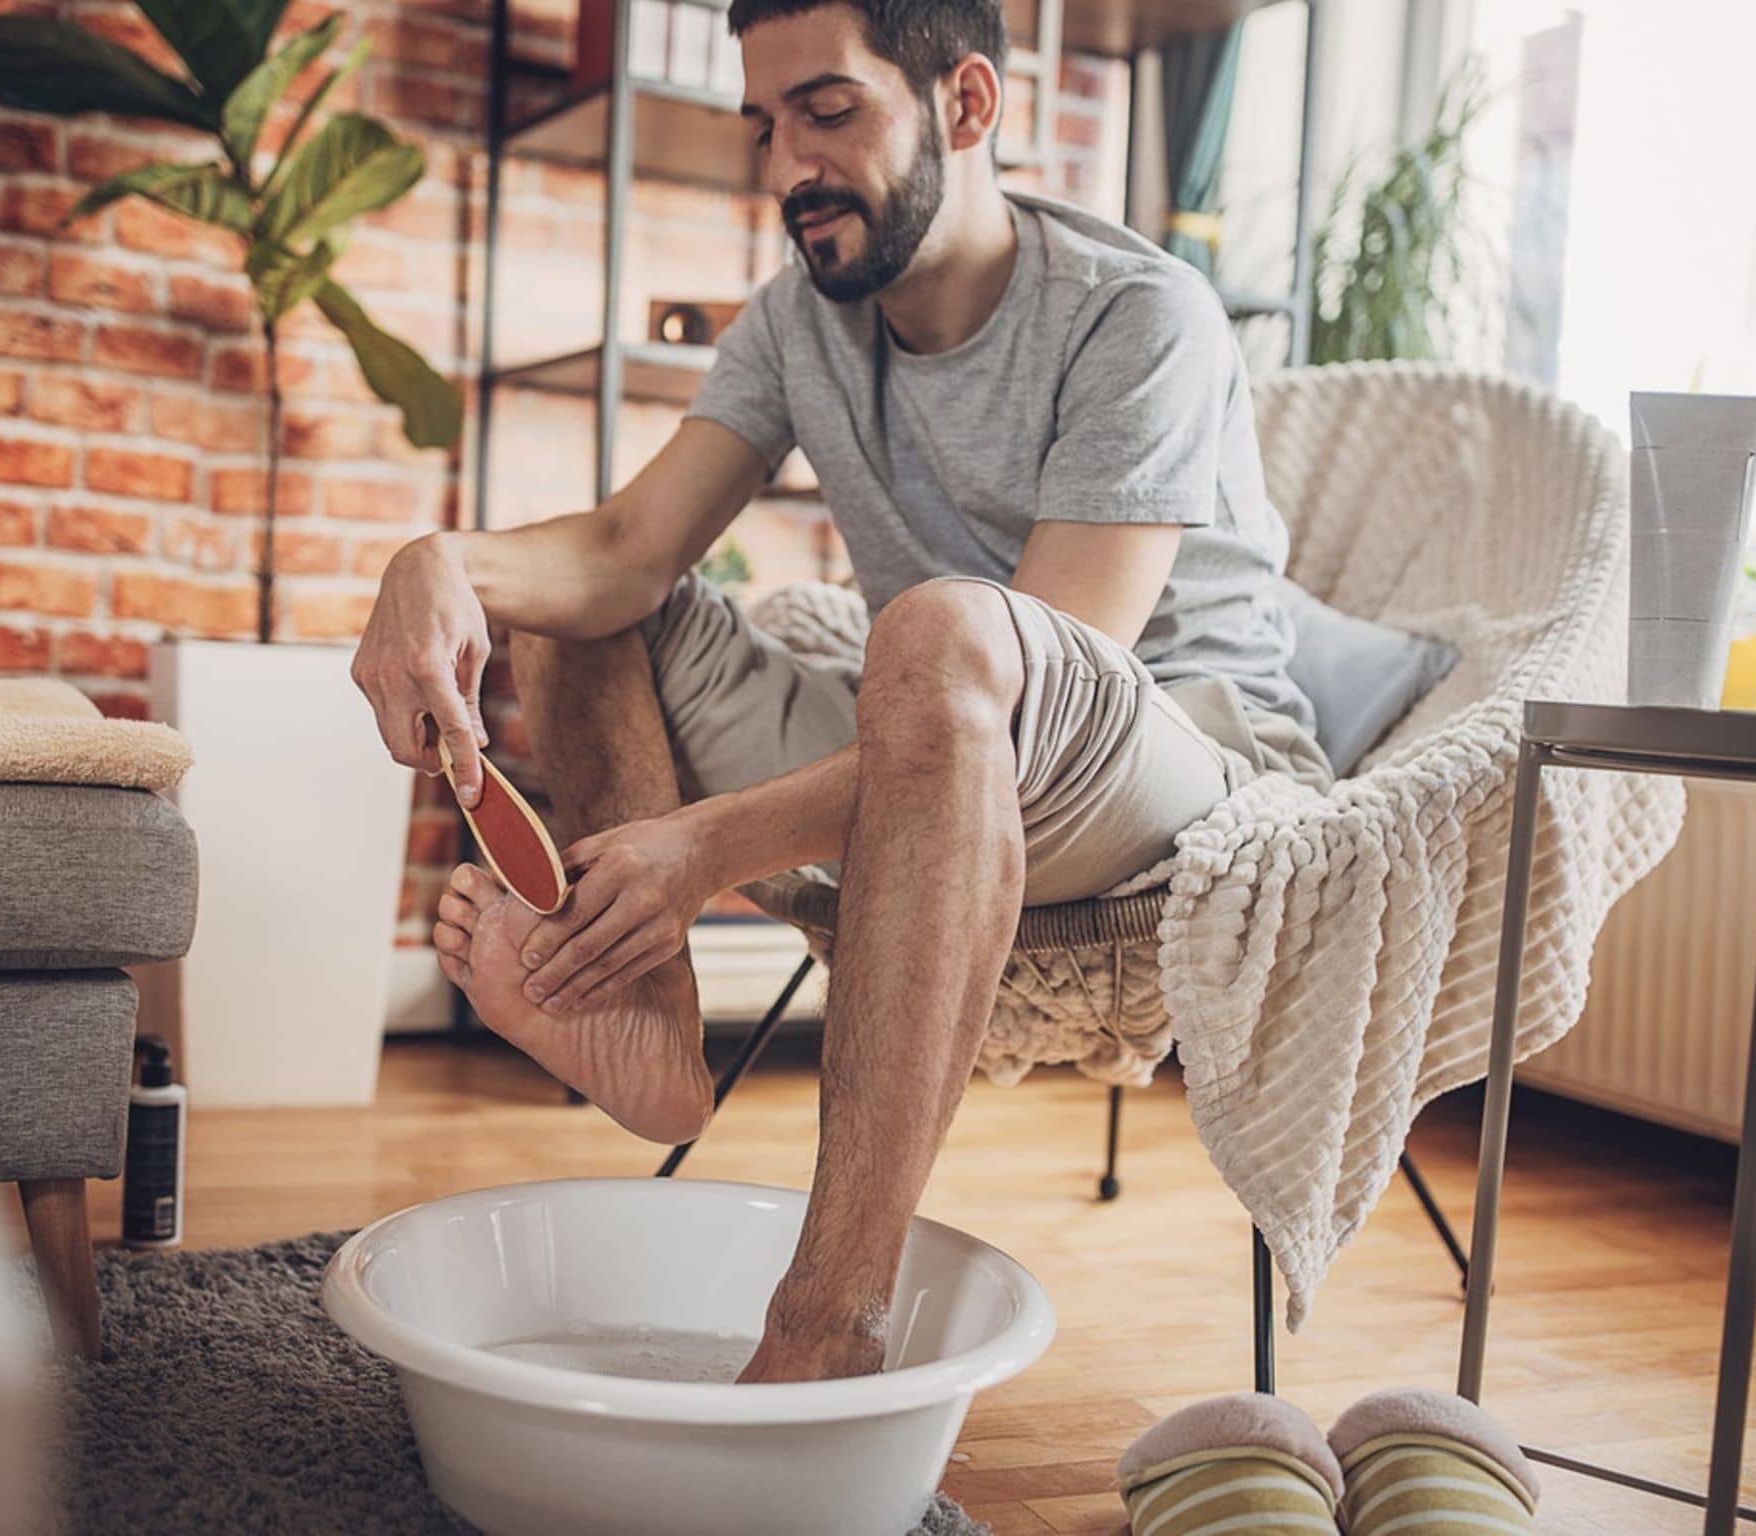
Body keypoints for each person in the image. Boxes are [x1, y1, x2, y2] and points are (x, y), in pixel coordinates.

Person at [351, 0, 1331, 1384]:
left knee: (938, 639)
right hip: (935, 729)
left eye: (828, 111)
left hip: (1170, 763)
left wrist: (705, 845)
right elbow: (627, 553)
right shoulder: (796, 323)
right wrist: (440, 561)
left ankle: (829, 1323)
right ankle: (642, 1021)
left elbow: (1048, 683)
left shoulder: (1140, 317)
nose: (786, 170)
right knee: (580, 613)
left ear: (968, 106)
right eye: (763, 128)